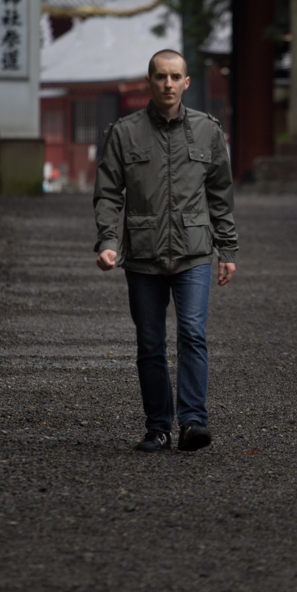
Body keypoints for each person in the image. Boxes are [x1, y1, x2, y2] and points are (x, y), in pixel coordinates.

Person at [93, 49, 237, 453]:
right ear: (149, 81)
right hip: (142, 255)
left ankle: (193, 422)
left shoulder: (208, 131)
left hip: (194, 253)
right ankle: (157, 426)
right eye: (161, 77)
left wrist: (227, 248)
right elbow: (106, 194)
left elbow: (220, 195)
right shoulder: (124, 133)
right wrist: (107, 242)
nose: (168, 84)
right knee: (150, 342)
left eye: (175, 77)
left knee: (192, 334)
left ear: (186, 83)